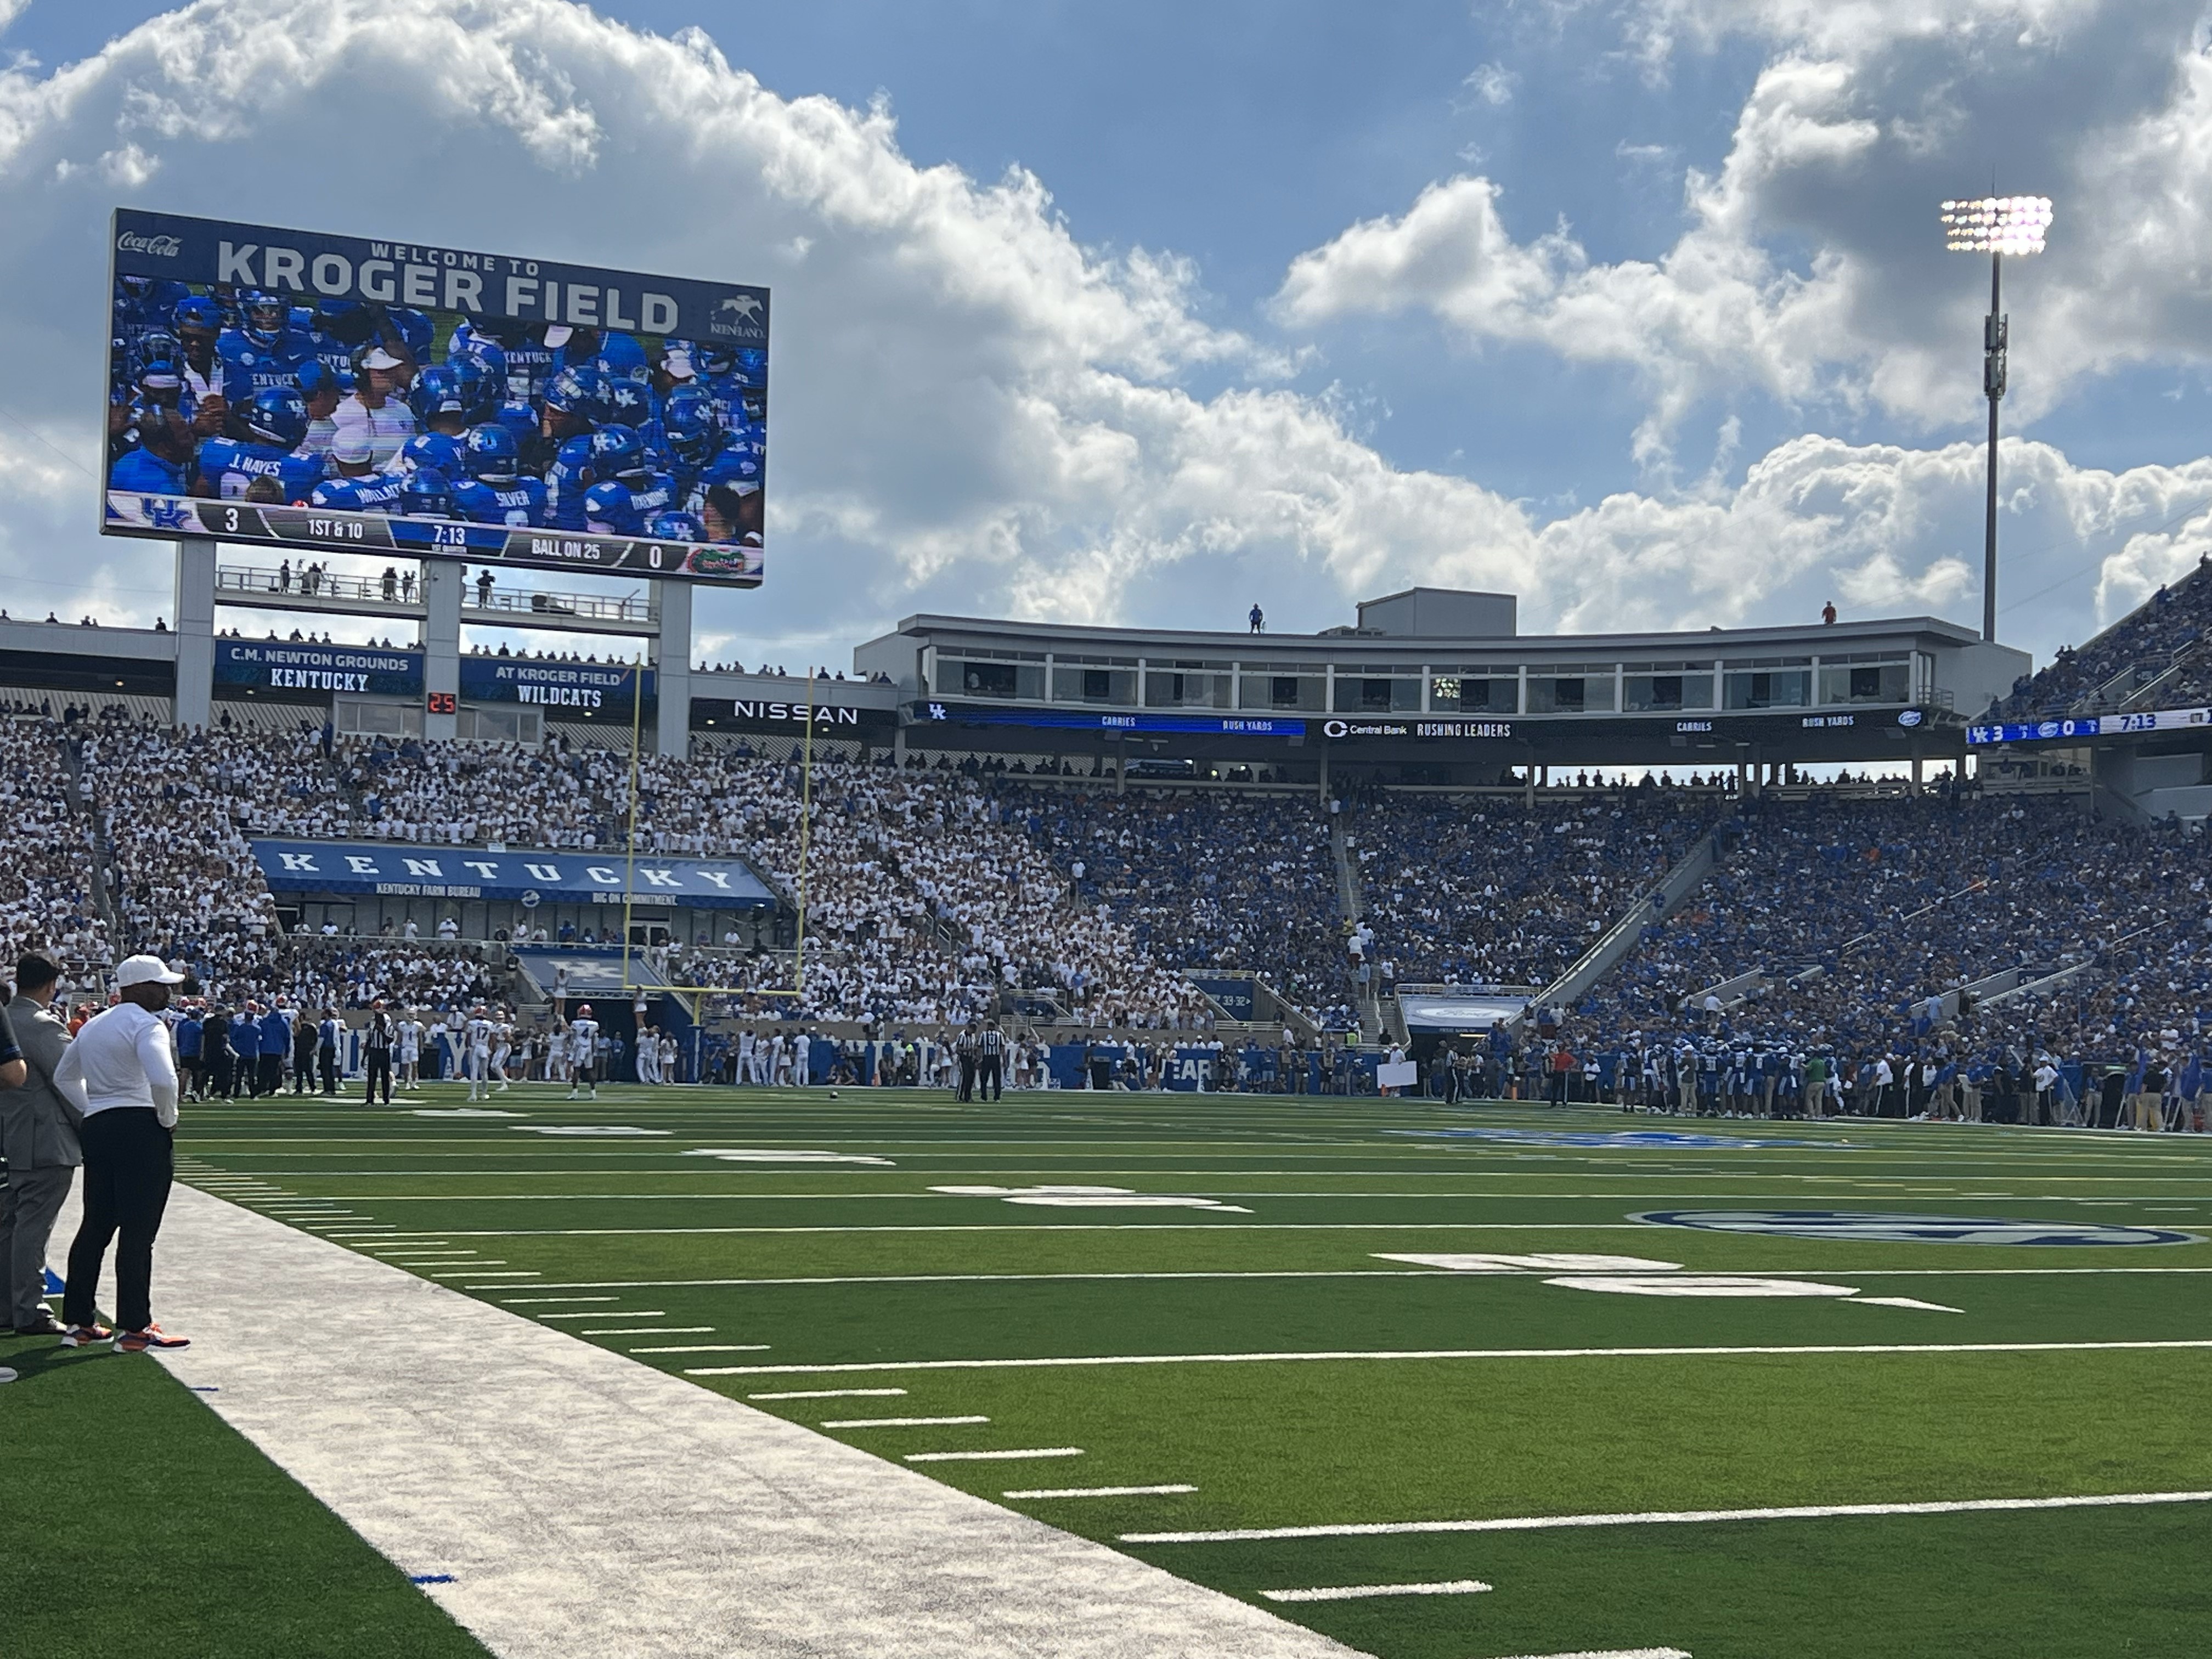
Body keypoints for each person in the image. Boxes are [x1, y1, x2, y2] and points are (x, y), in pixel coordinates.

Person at [53, 955, 190, 1352]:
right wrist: (167, 1118)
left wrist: (93, 1108)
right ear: (139, 988)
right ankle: (135, 1327)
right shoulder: (147, 1024)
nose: (168, 991)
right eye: (160, 984)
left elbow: (65, 1076)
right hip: (140, 1126)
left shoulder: (94, 1025)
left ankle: (79, 1321)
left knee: (96, 1224)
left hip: (99, 1125)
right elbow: (163, 1079)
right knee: (138, 1230)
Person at [3, 957, 82, 1339]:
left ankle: (9, 1305)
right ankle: (29, 1309)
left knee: (12, 1226)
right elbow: (70, 1080)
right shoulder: (38, 1024)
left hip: (13, 1134)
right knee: (33, 1228)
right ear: (51, 985)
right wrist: (93, 1129)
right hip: (43, 1138)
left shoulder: (7, 1017)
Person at [362, 999, 394, 1107]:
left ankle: (386, 1100)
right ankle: (369, 1099)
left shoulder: (388, 1023)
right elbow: (369, 1040)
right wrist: (364, 1056)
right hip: (374, 1051)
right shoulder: (372, 1023)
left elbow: (390, 1040)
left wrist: (382, 1031)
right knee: (372, 1077)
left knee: (385, 1077)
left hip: (384, 1051)